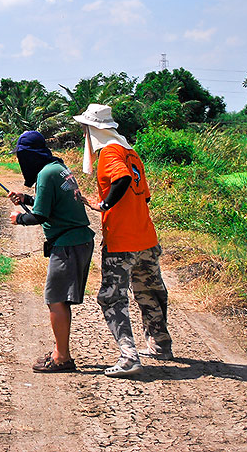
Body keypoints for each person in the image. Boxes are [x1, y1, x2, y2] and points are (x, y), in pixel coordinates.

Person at [74, 104, 173, 377]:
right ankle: (161, 345)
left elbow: (122, 179)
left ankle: (129, 356)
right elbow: (144, 195)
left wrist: (105, 205)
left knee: (112, 298)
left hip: (122, 243)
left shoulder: (109, 153)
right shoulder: (131, 152)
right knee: (149, 291)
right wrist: (98, 203)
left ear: (93, 130)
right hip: (146, 238)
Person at [7, 131, 95, 373]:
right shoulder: (58, 168)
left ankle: (62, 358)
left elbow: (41, 215)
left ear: (30, 155)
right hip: (78, 240)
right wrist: (26, 197)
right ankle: (60, 350)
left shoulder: (46, 174)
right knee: (59, 300)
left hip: (68, 244)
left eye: (22, 156)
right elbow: (51, 201)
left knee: (55, 300)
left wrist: (20, 218)